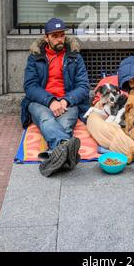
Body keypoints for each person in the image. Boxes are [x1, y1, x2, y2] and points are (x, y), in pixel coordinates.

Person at [21, 18, 90, 177]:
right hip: (40, 101)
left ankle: (55, 154)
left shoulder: (74, 57)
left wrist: (66, 100)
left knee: (66, 123)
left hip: (68, 101)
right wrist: (50, 101)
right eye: (55, 36)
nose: (60, 39)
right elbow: (30, 86)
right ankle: (66, 150)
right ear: (46, 38)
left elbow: (83, 86)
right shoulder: (35, 57)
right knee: (46, 119)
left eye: (62, 35)